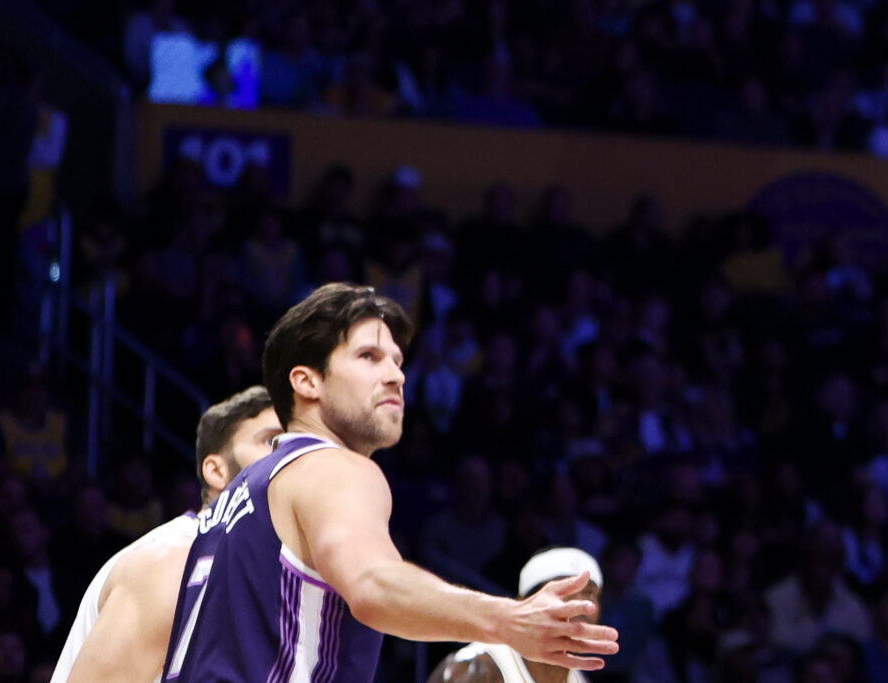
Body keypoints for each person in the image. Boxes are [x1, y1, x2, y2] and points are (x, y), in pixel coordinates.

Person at [162, 284, 619, 683]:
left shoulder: (241, 494)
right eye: (369, 356)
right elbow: (372, 583)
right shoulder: (333, 466)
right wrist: (507, 619)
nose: (396, 375)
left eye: (399, 362)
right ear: (306, 381)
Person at [53, 387, 284, 683]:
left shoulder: (264, 575)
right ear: (216, 471)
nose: (290, 457)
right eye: (272, 441)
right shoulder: (175, 558)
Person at [426, 549, 607, 683]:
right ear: (525, 603)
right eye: (565, 591)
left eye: (590, 593)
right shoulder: (477, 668)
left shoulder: (579, 679)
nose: (582, 604)